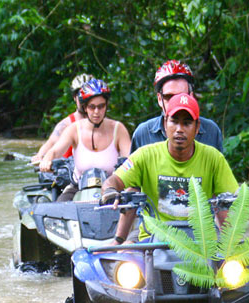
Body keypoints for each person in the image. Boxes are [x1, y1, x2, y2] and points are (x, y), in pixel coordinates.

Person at [101, 93, 237, 243]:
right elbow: (114, 180)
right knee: (121, 261)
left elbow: (229, 204)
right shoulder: (144, 155)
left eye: (186, 123)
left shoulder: (214, 159)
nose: (179, 129)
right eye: (174, 121)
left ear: (197, 127)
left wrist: (230, 247)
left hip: (202, 243)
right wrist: (110, 191)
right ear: (165, 124)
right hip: (153, 242)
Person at [39, 78, 131, 201]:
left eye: (101, 106)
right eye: (92, 107)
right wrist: (47, 159)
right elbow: (55, 151)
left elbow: (130, 159)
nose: (96, 112)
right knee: (55, 213)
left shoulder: (118, 129)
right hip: (78, 187)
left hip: (112, 188)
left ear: (106, 105)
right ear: (85, 107)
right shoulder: (74, 129)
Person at [129, 60, 223, 154]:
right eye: (169, 97)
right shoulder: (143, 134)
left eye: (181, 96)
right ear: (159, 99)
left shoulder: (211, 131)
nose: (175, 102)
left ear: (191, 96)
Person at [31, 74, 93, 163]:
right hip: (69, 171)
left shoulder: (104, 123)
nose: (85, 101)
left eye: (88, 97)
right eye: (81, 97)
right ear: (75, 98)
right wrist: (40, 156)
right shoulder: (66, 124)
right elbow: (51, 143)